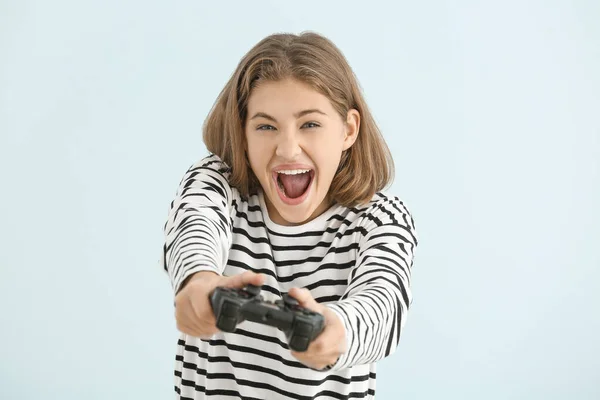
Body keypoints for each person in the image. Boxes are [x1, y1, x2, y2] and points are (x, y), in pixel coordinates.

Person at [160, 31, 418, 399]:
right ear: (243, 132)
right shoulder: (217, 186)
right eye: (265, 126)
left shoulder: (380, 220)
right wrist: (198, 282)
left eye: (310, 124)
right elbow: (194, 228)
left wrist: (338, 330)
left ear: (348, 130)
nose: (287, 147)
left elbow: (383, 304)